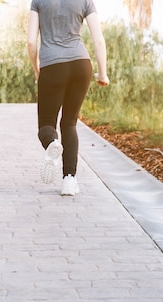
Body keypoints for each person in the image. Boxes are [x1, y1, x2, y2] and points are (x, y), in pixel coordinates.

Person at [27, 0, 109, 196]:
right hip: (81, 64)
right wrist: (103, 73)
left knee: (46, 126)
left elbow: (31, 42)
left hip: (52, 66)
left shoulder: (38, 1)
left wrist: (37, 69)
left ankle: (52, 143)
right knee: (70, 123)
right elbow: (98, 39)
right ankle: (69, 181)